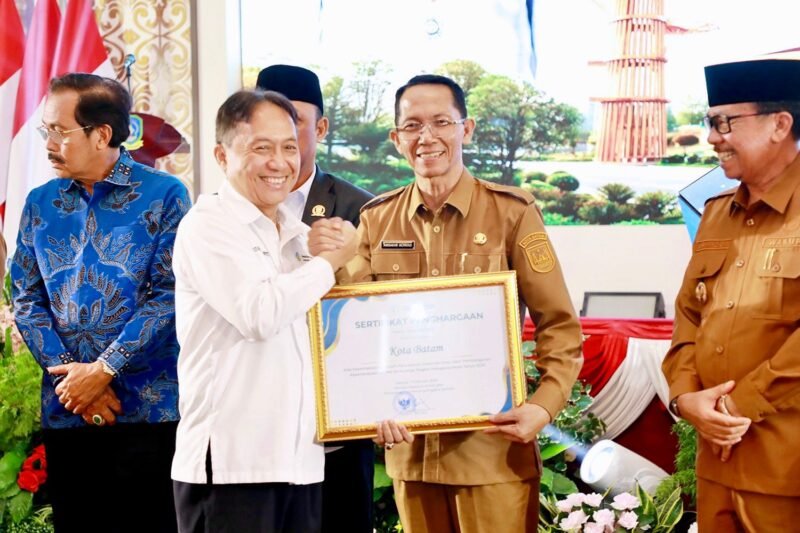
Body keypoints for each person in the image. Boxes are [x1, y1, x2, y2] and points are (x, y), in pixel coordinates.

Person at [310, 74, 583, 533]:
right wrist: (363, 405)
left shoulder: (512, 213)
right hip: (411, 453)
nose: (427, 137)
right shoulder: (376, 220)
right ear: (397, 139)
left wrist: (543, 407)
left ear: (466, 129)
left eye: (441, 122)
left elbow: (559, 325)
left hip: (493, 453)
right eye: (412, 126)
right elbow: (353, 327)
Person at [170, 89, 358, 533]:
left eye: (289, 147)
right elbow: (259, 314)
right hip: (234, 469)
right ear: (222, 155)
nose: (280, 162)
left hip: (300, 464)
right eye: (261, 148)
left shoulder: (297, 235)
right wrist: (331, 262)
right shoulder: (208, 224)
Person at [11, 73, 191, 532]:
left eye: (58, 130)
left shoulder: (165, 196)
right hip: (68, 411)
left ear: (102, 134)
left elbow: (169, 294)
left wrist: (104, 369)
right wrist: (75, 381)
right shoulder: (40, 203)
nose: (48, 142)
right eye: (45, 130)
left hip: (148, 409)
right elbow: (26, 298)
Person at [663, 53, 800, 532]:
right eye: (709, 122)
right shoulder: (717, 213)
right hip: (717, 465)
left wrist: (739, 404)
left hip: (786, 467)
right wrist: (686, 399)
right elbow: (687, 316)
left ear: (779, 124)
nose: (713, 137)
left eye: (724, 122)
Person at [255, 64, 375, 533]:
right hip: (258, 426)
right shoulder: (229, 211)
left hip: (336, 426)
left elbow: (376, 313)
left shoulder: (361, 207)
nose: (280, 140)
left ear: (321, 128)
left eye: (295, 122)